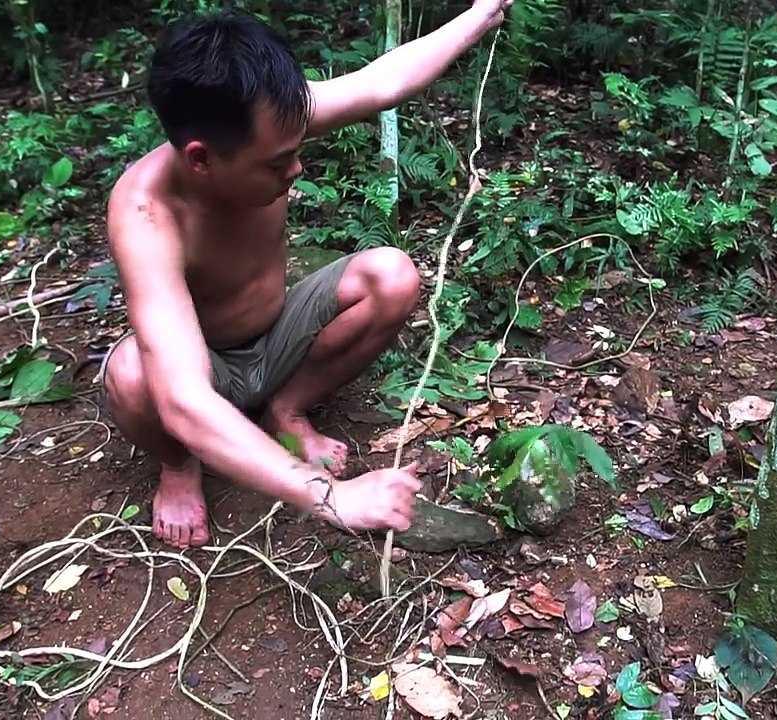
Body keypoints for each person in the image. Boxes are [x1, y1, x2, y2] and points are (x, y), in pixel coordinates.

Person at [99, 1, 513, 549]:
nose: (295, 170)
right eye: (277, 163)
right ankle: (179, 467)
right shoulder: (146, 213)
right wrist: (331, 496)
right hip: (207, 371)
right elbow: (182, 396)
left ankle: (285, 408)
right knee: (129, 374)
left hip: (279, 337)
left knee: (390, 275)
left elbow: (382, 81)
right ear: (200, 159)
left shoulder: (268, 118)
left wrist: (481, 13)